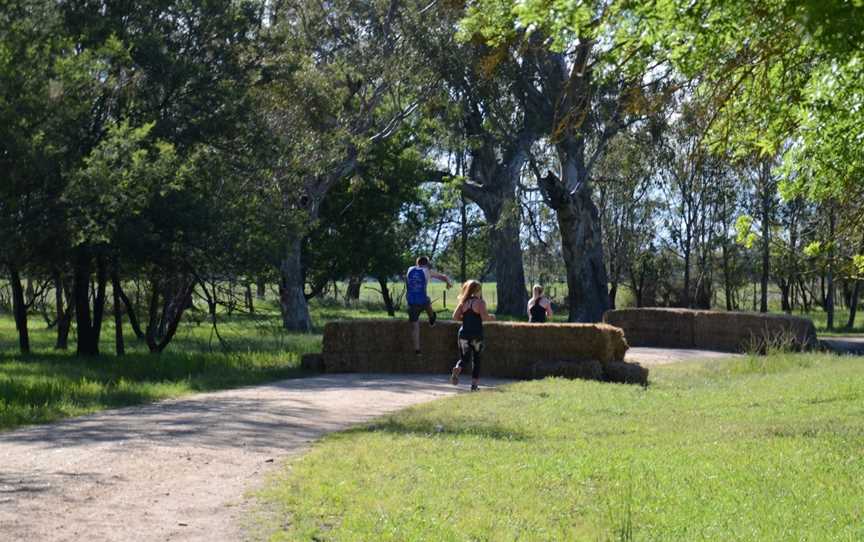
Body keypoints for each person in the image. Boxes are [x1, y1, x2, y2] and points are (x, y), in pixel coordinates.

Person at [450, 280, 495, 391]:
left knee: (464, 358)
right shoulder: (480, 303)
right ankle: (474, 385)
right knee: (477, 359)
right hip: (476, 335)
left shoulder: (463, 302)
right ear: (477, 290)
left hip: (463, 334)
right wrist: (491, 317)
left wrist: (465, 318)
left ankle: (457, 368)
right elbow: (484, 318)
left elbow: (454, 317)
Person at [406, 256, 452, 355]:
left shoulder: (410, 270)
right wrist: (448, 283)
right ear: (426, 264)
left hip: (411, 302)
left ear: (417, 263)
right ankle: (432, 318)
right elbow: (443, 277)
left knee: (415, 327)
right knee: (427, 301)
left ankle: (417, 350)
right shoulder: (427, 271)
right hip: (422, 300)